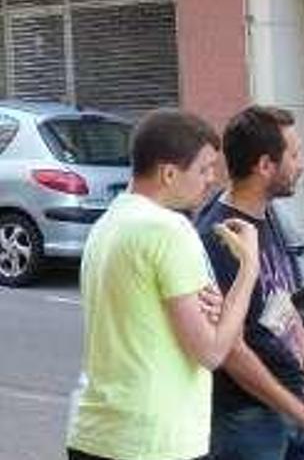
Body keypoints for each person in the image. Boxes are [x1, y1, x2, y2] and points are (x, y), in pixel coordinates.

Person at [67, 109, 260, 460]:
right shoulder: (169, 230)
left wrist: (220, 312)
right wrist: (248, 268)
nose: (212, 180)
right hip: (156, 440)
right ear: (169, 173)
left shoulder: (107, 225)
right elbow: (212, 352)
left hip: (93, 433)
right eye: (204, 169)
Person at [196, 106, 304, 460]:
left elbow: (281, 306)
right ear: (265, 166)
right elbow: (231, 350)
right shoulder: (220, 237)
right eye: (294, 155)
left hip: (286, 407)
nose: (301, 165)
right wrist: (303, 413)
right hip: (246, 421)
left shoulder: (267, 215)